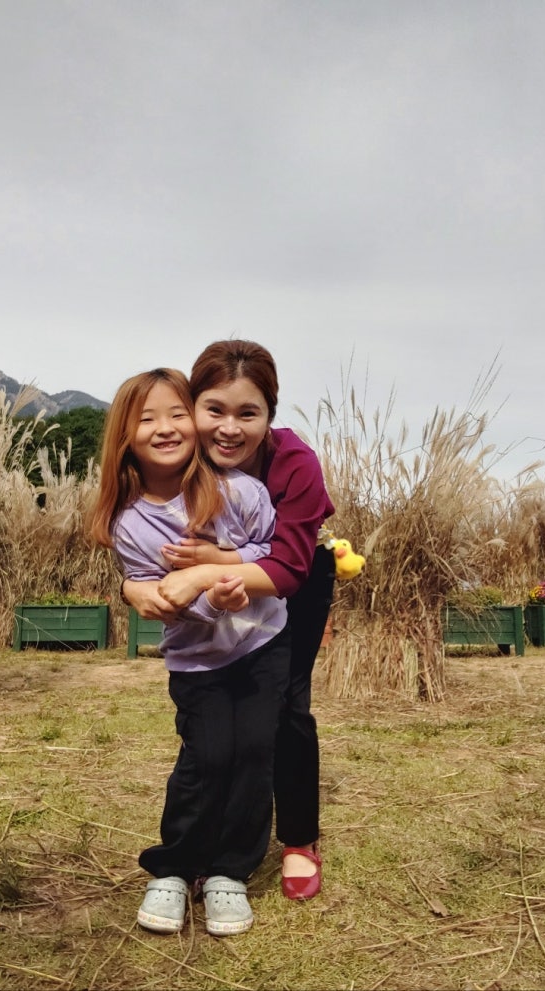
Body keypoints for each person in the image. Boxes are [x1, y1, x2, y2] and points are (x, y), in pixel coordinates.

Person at [123, 341, 336, 901]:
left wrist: (209, 568)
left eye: (249, 413)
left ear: (269, 416)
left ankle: (298, 839)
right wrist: (131, 587)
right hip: (209, 603)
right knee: (215, 735)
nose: (229, 428)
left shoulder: (294, 463)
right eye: (214, 409)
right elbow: (139, 537)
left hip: (294, 575)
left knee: (288, 709)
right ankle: (202, 847)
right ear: (193, 406)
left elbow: (289, 566)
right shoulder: (178, 452)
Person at [89, 367, 291, 936]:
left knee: (255, 752)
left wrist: (226, 570)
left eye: (177, 413)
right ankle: (175, 867)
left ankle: (230, 871)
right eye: (146, 419)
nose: (165, 428)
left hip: (262, 643)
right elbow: (157, 594)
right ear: (125, 436)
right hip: (197, 659)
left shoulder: (240, 490)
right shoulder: (131, 524)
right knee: (207, 756)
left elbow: (271, 548)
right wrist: (199, 602)